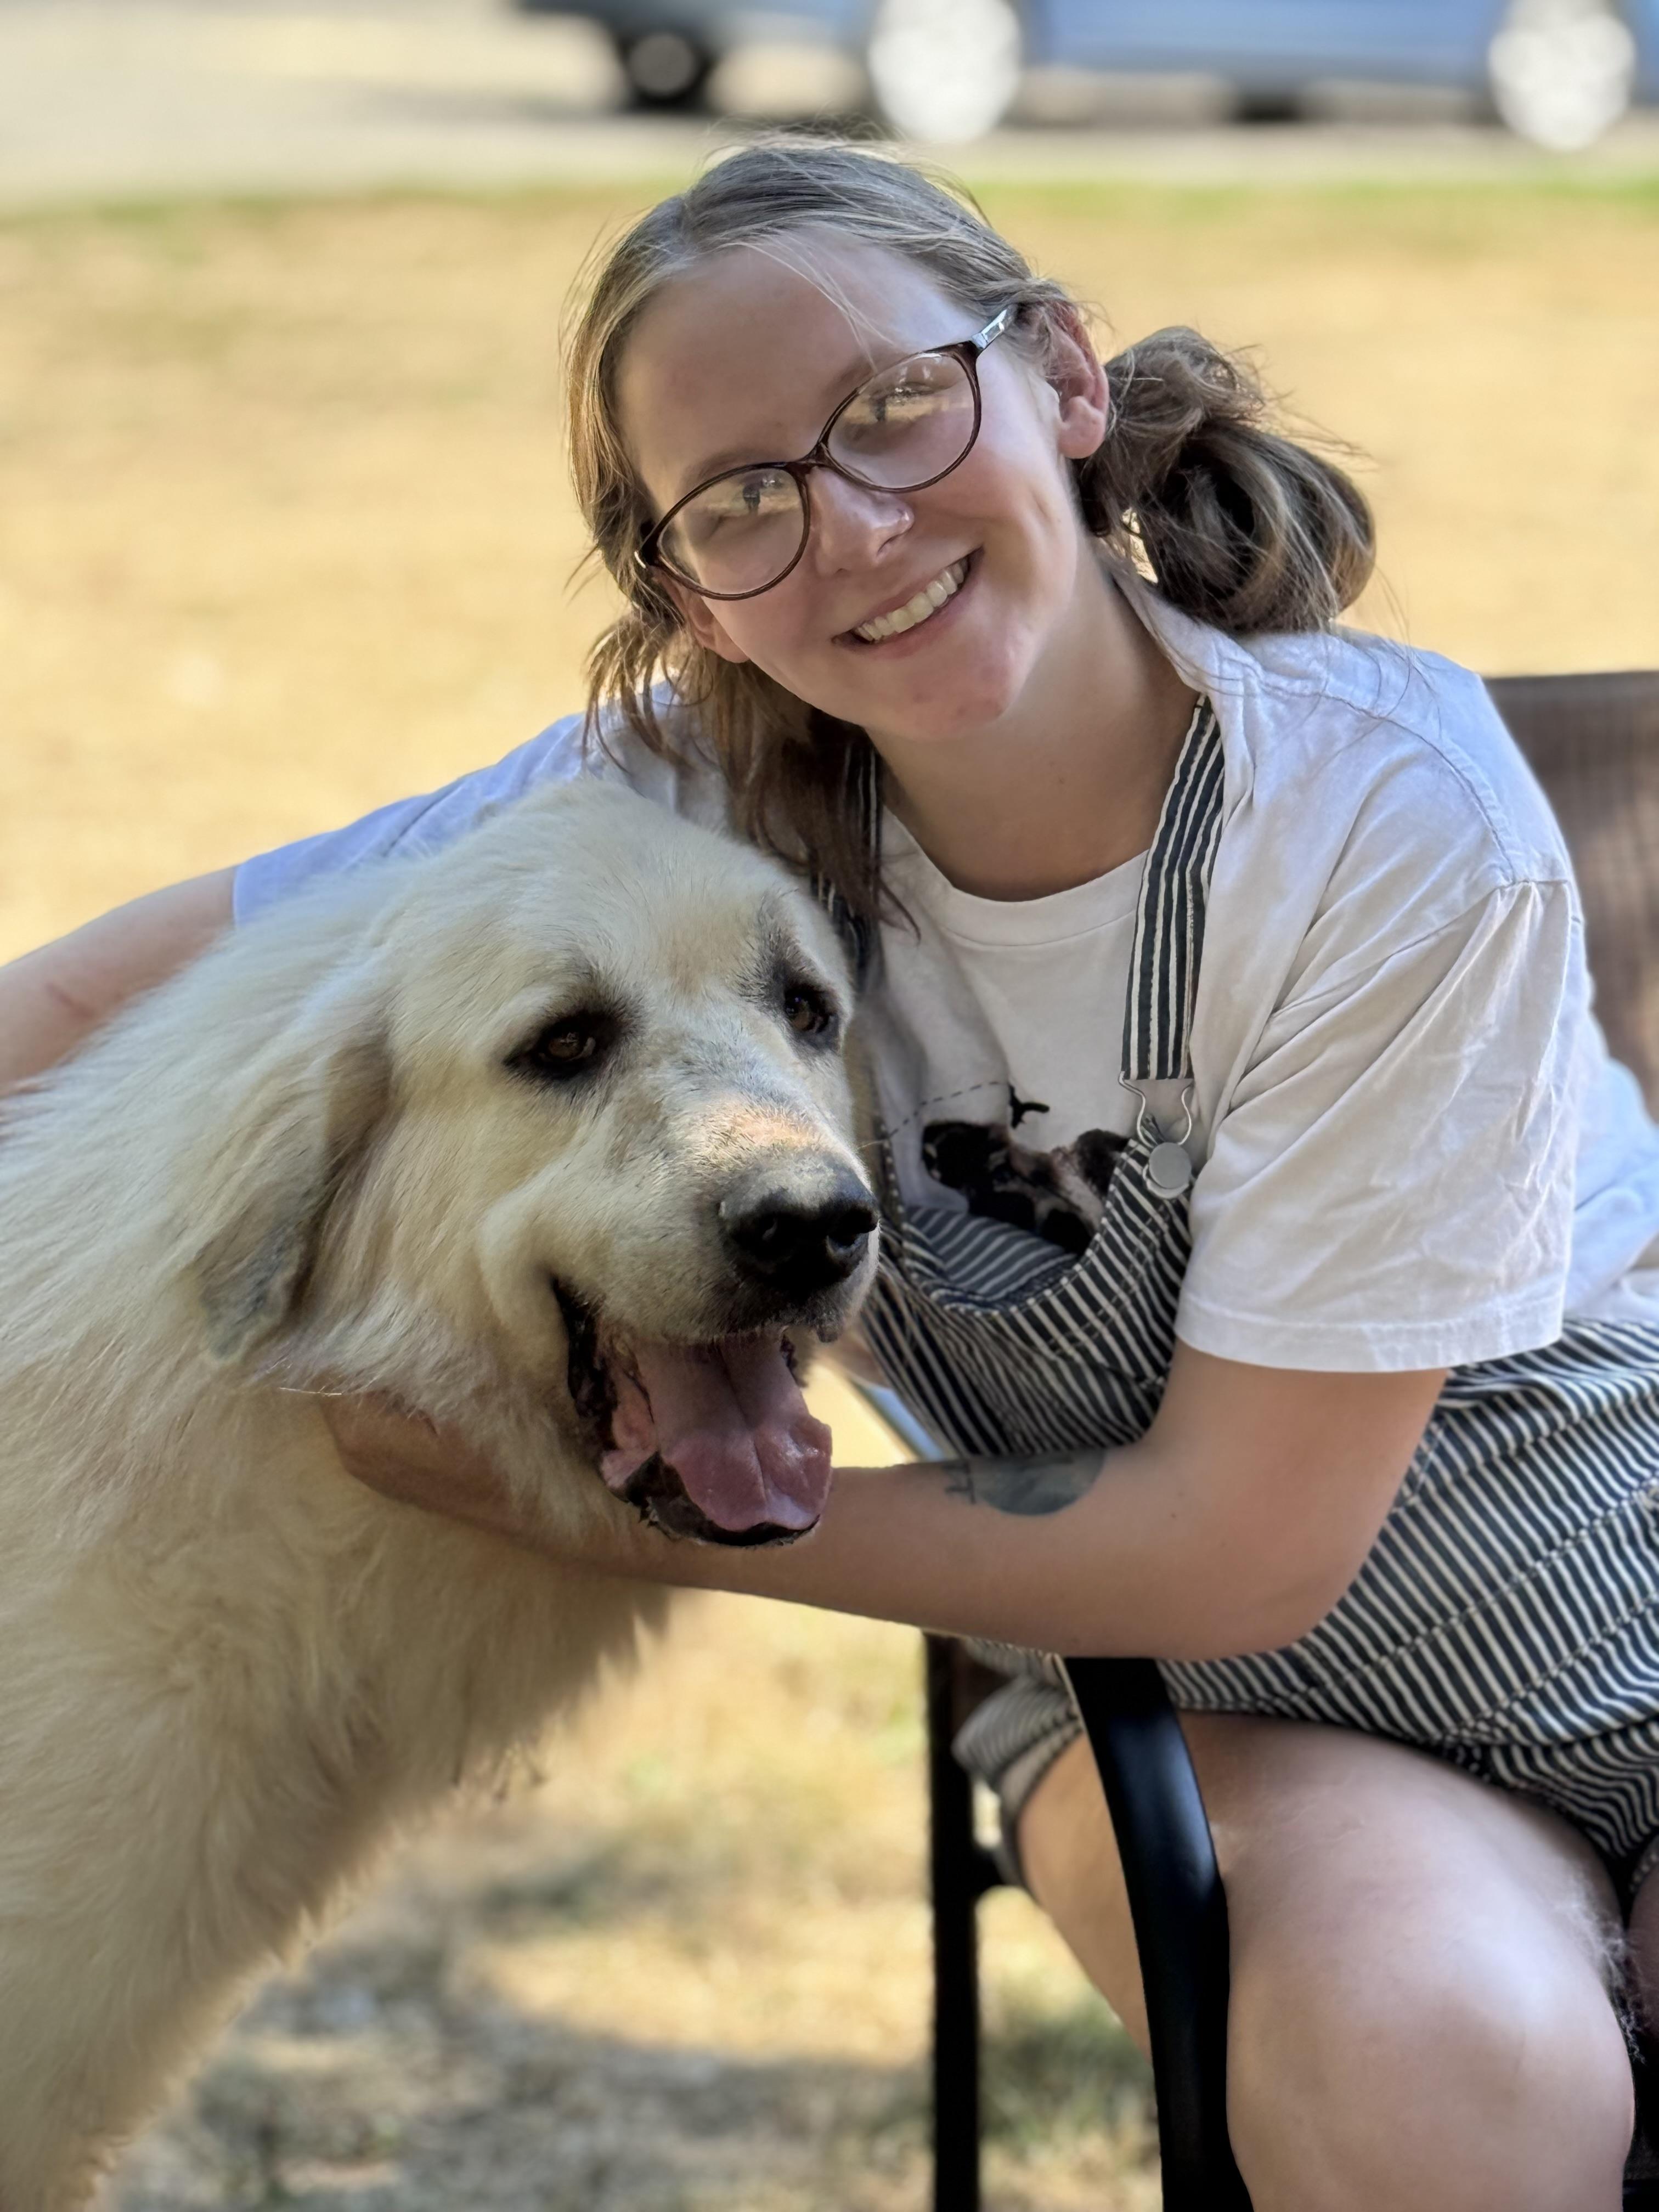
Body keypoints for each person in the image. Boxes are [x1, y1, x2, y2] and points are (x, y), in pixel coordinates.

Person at [6, 139, 1659, 2209]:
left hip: (1583, 1551)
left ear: (1060, 374)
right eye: (745, 500)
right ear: (682, 588)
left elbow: (1251, 1535)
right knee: (1440, 2085)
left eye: (895, 405)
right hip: (1205, 1702)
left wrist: (621, 1529)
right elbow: (86, 997)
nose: (855, 528)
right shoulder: (680, 803)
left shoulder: (1383, 820)